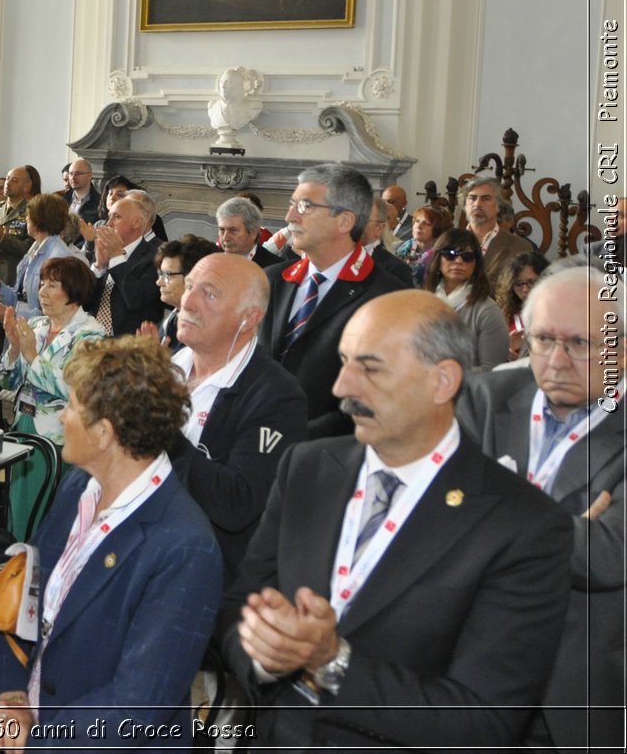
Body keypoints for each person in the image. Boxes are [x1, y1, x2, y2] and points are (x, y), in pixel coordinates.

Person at [220, 291, 572, 748]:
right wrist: (266, 653)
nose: (341, 387)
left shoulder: (523, 526)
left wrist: (333, 662)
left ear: (442, 381)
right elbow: (238, 604)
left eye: (370, 367)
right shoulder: (307, 467)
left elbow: (484, 722)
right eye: (344, 361)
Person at [0, 337, 223, 749]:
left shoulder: (184, 547)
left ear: (105, 433)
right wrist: (11, 698)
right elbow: (25, 593)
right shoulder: (78, 486)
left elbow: (138, 706)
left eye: (71, 407)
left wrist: (32, 739)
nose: (61, 420)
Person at [457, 264, 624, 751]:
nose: (556, 359)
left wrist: (489, 505)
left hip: (576, 694)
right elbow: (432, 517)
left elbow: (606, 555)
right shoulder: (481, 398)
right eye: (543, 339)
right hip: (464, 671)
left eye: (579, 344)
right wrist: (561, 527)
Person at [167, 253, 307, 582]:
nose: (187, 301)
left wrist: (159, 431)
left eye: (210, 293)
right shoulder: (171, 365)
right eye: (189, 286)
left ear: (248, 319)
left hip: (203, 574)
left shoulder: (277, 397)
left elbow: (237, 503)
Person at [260, 163, 407, 436]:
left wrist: (294, 438)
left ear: (345, 221)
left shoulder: (387, 298)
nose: (289, 216)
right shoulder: (271, 280)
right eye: (292, 204)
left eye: (305, 206)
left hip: (324, 454)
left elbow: (374, 398)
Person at [0, 256, 106, 535]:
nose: (42, 290)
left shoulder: (91, 334)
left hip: (60, 436)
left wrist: (32, 355)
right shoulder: (37, 326)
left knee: (43, 520)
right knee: (15, 512)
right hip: (24, 424)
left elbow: (77, 390)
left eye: (52, 285)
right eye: (42, 283)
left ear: (73, 291)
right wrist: (12, 348)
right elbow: (6, 380)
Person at [83, 191, 167, 337]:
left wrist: (116, 257)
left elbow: (135, 300)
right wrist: (98, 267)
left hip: (129, 346)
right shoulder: (105, 249)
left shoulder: (156, 256)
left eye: (117, 217)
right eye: (109, 217)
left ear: (137, 223)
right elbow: (85, 304)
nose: (109, 224)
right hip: (91, 339)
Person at [422, 228, 507, 370]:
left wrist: (443, 374)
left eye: (467, 256)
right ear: (438, 259)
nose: (458, 261)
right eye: (450, 254)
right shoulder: (423, 301)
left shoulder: (487, 310)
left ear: (476, 263)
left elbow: (492, 369)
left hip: (468, 389)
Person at [0, 194, 73, 318]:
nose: (26, 219)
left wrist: (13, 314)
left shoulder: (58, 256)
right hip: (24, 325)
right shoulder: (36, 246)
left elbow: (50, 312)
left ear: (39, 219)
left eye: (29, 215)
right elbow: (21, 296)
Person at [141, 234, 216, 352]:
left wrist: (158, 361)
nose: (158, 282)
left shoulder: (205, 329)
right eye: (160, 274)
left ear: (193, 278)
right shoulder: (172, 319)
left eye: (167, 275)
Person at [493, 250, 549, 359]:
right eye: (518, 284)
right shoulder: (504, 313)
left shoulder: (558, 312)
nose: (525, 289)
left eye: (532, 282)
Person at [217, 196, 282, 269]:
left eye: (233, 230)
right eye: (222, 230)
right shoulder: (210, 261)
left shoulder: (275, 267)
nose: (225, 238)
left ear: (253, 232)